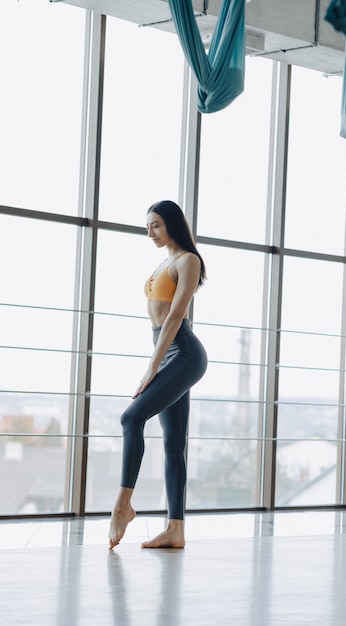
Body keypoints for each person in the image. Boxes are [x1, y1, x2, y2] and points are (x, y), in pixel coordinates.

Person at [109, 200, 207, 550]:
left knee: (131, 418)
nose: (149, 232)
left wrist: (153, 364)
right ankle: (175, 529)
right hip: (167, 353)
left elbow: (176, 315)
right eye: (148, 226)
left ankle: (123, 505)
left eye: (155, 225)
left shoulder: (189, 260)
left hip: (183, 353)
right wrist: (156, 359)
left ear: (172, 225)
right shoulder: (165, 261)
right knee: (172, 444)